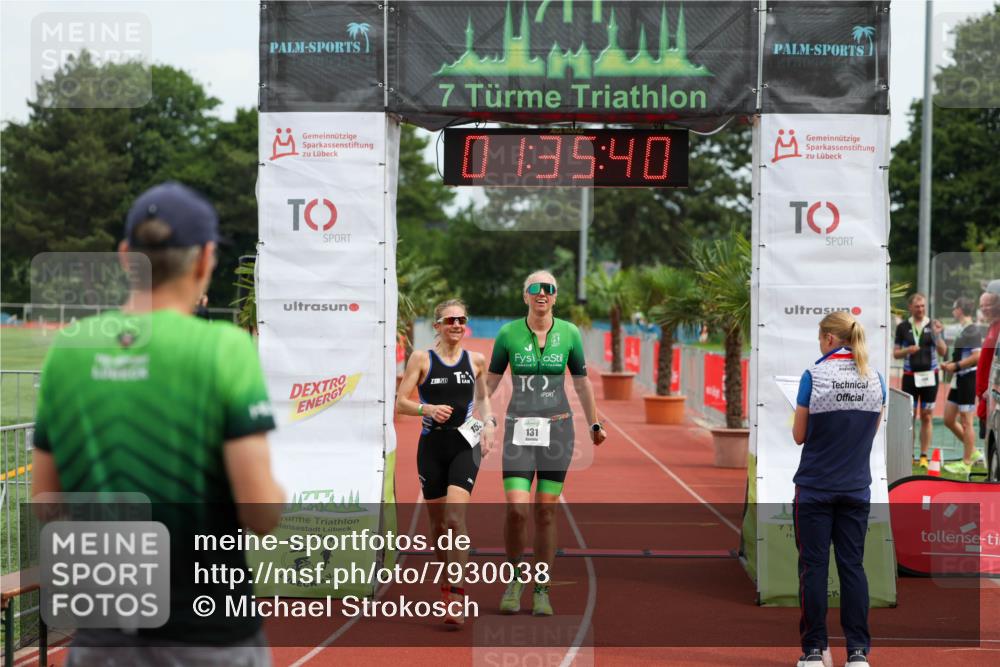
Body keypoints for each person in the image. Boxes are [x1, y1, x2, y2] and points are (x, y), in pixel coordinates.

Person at [31, 182, 284, 666]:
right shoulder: (225, 348)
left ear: (126, 256)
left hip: (104, 633)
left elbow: (46, 500)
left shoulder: (69, 349)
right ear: (204, 259)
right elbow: (261, 514)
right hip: (210, 633)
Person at [486, 270, 607, 616]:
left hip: (558, 431)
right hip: (518, 432)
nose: (543, 293)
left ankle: (541, 588)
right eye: (536, 288)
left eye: (549, 289)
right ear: (525, 295)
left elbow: (582, 383)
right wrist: (476, 417)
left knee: (545, 510)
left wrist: (595, 423)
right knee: (516, 510)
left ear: (555, 296)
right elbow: (490, 382)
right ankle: (514, 580)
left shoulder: (569, 333)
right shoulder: (508, 333)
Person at [792, 311, 885, 667]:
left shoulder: (813, 376)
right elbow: (869, 433)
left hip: (815, 487)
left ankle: (813, 651)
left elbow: (799, 435)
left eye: (820, 338)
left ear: (830, 339)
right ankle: (858, 653)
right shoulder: (874, 379)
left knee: (814, 569)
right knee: (852, 567)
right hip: (856, 488)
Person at [395, 298, 496, 627]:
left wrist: (489, 424)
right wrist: (426, 409)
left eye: (461, 320)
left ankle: (457, 592)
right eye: (450, 320)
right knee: (438, 526)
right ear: (437, 326)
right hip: (432, 447)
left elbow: (483, 398)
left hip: (465, 444)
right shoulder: (421, 359)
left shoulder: (476, 360)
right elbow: (401, 402)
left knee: (454, 519)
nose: (456, 325)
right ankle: (446, 581)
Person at [893, 293, 946, 468]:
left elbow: (943, 352)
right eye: (917, 306)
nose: (921, 309)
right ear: (910, 307)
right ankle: (909, 454)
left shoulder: (934, 325)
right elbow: (896, 353)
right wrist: (907, 350)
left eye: (923, 306)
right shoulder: (903, 327)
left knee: (927, 416)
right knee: (910, 417)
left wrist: (937, 335)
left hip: (930, 376)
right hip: (910, 376)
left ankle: (924, 455)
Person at [941, 297, 983, 476]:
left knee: (966, 421)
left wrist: (956, 366)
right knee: (948, 419)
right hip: (959, 379)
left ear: (960, 310)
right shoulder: (964, 329)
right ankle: (972, 452)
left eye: (954, 308)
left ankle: (966, 463)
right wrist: (950, 364)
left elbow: (977, 356)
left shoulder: (973, 330)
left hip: (968, 379)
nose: (952, 311)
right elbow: (960, 356)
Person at [975, 290, 1000, 440]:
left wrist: (993, 386)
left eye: (988, 305)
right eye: (982, 306)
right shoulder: (992, 327)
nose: (984, 308)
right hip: (985, 397)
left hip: (992, 395)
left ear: (997, 305)